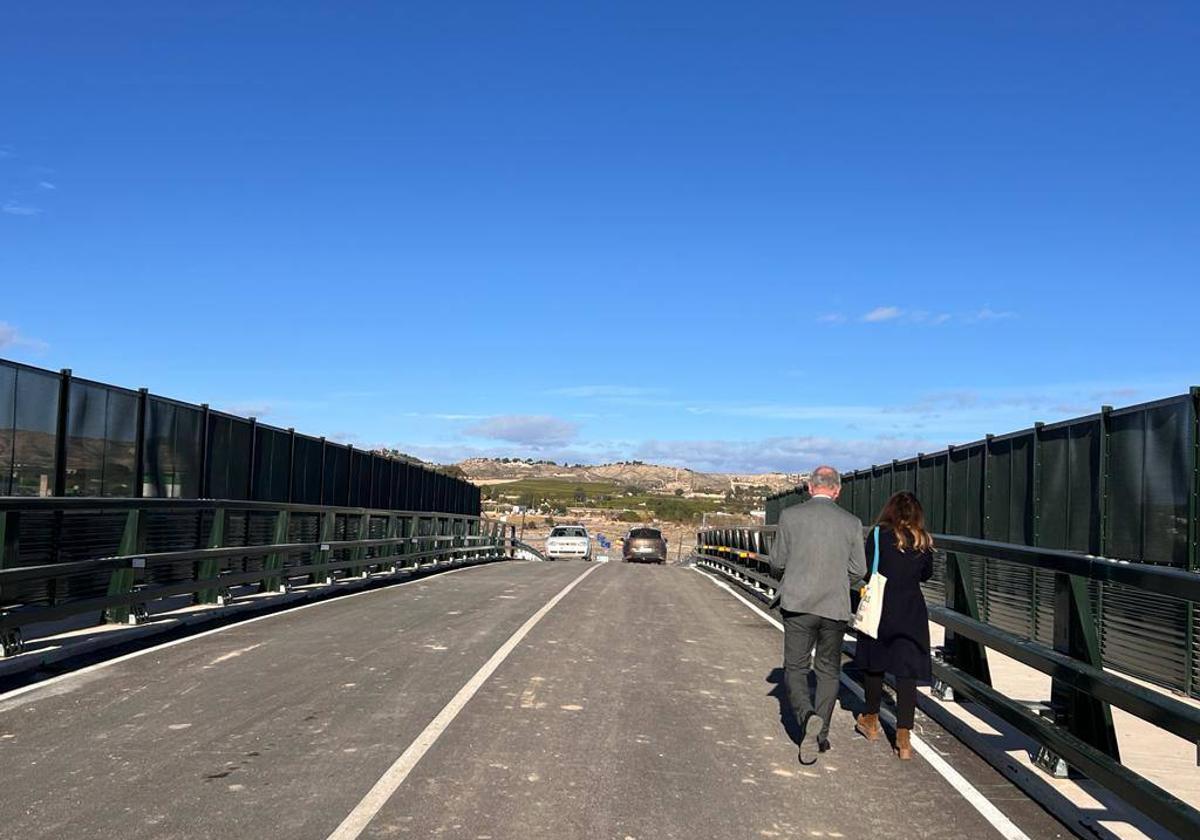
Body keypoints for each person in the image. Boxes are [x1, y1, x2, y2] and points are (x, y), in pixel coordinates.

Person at [769, 465, 867, 765]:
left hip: (798, 604)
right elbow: (859, 570)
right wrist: (837, 583)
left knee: (796, 668)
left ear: (810, 488)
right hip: (834, 607)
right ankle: (820, 732)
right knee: (827, 670)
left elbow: (776, 562)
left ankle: (806, 715)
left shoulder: (790, 516)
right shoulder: (851, 523)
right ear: (837, 491)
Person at [853, 491, 935, 761]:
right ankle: (903, 738)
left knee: (875, 665)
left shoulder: (878, 535)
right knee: (906, 673)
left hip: (881, 608)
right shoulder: (922, 540)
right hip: (911, 611)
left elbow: (866, 570)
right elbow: (926, 574)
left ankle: (871, 720)